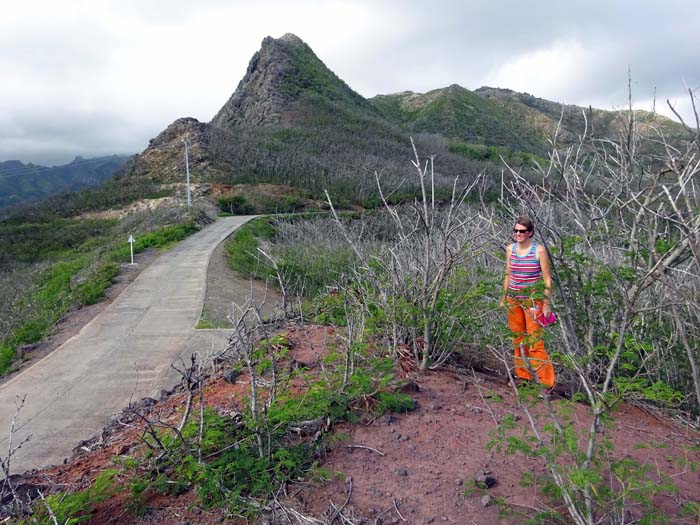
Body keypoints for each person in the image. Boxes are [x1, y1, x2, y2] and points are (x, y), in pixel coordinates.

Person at [500, 216, 555, 390]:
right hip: (513, 299)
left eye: (522, 231)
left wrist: (546, 303)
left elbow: (547, 279)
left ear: (530, 233)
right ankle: (523, 376)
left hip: (532, 300)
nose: (518, 234)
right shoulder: (510, 249)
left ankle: (546, 383)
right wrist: (503, 297)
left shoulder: (539, 251)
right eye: (516, 231)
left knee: (535, 341)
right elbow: (508, 274)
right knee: (518, 339)